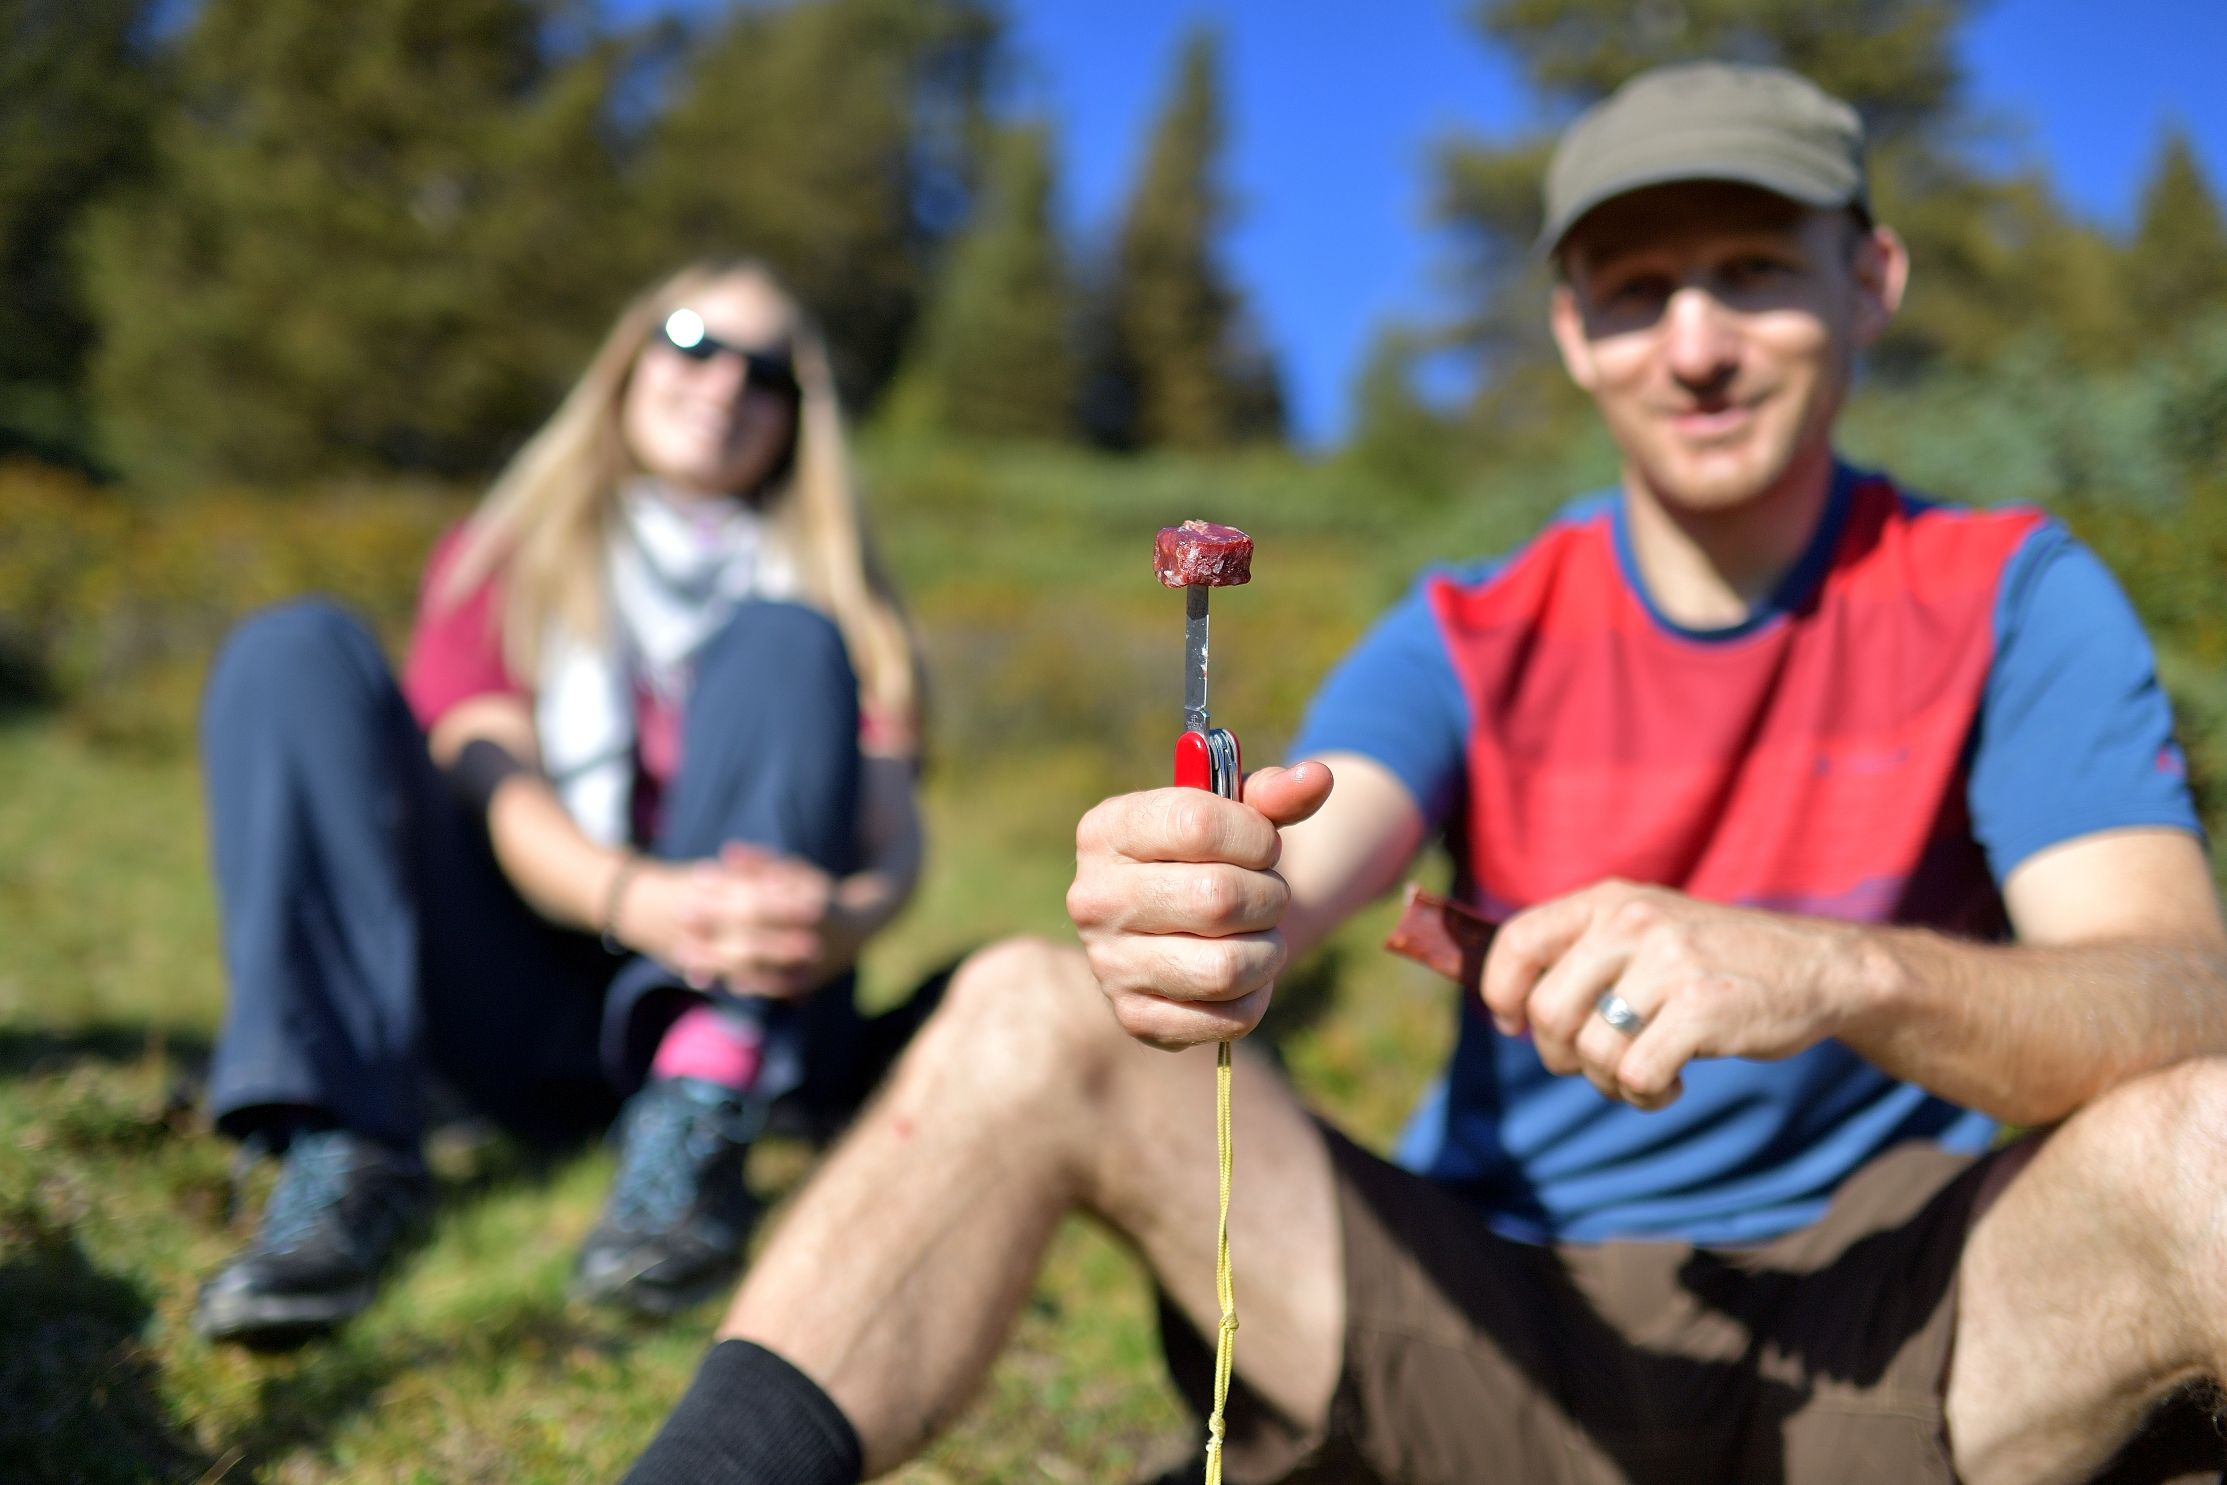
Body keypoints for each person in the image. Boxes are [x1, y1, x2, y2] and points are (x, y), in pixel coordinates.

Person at [620, 63, 2227, 1485]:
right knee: (1021, 1011)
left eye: (1751, 274)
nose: (1692, 345)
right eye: (1631, 288)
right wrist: (1201, 909)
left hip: (1910, 1332)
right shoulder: (1465, 632)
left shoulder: (2008, 594)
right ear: (1566, 329)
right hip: (1486, 1332)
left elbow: (2174, 994)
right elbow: (1300, 870)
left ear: (1867, 280)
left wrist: (1839, 971)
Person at [192, 258, 926, 1342]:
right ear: (629, 362)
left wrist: (842, 922)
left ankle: (697, 1125)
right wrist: (632, 899)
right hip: (529, 976)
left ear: (798, 416)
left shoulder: (844, 606)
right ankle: (341, 1147)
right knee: (290, 651)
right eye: (692, 342)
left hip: (754, 991)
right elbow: (491, 772)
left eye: (766, 372)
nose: (723, 385)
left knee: (787, 639)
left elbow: (892, 837)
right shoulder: (507, 560)